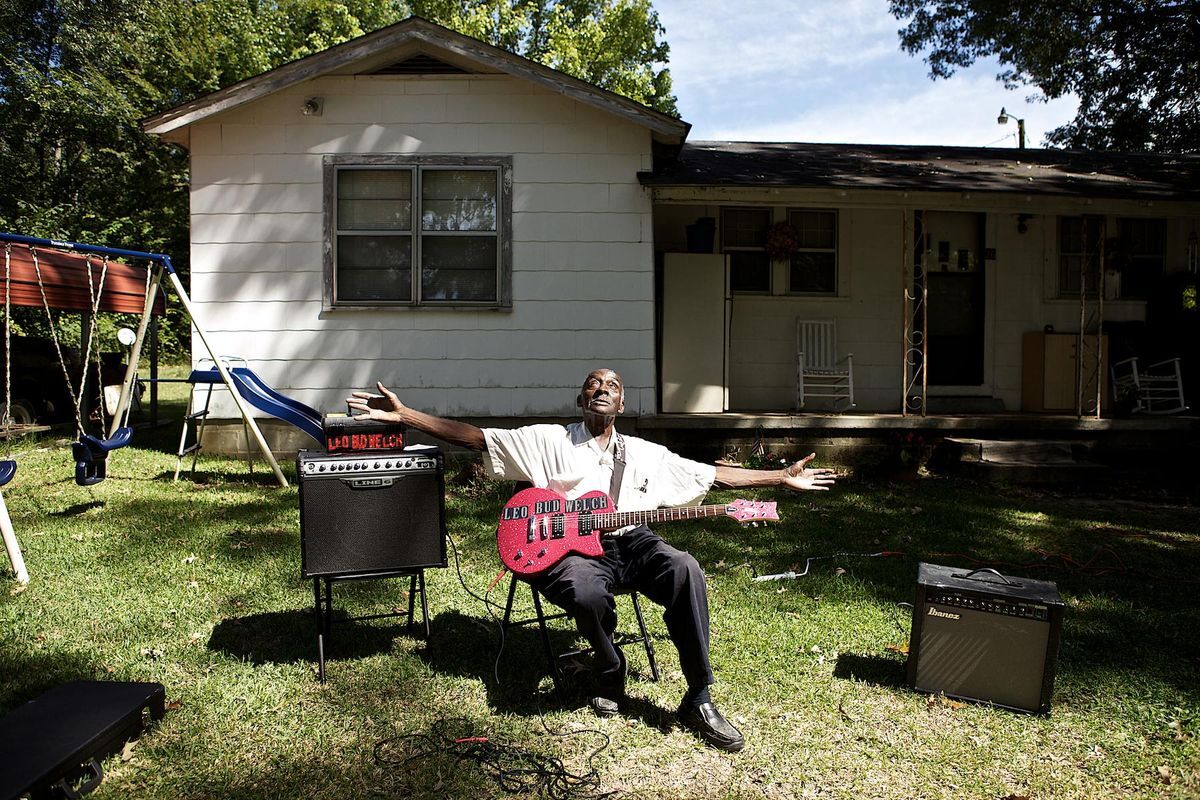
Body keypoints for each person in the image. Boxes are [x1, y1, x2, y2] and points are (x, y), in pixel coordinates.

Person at [347, 368, 836, 752]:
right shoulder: (548, 441)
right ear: (581, 400)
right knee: (585, 591)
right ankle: (609, 665)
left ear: (622, 404)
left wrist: (778, 478)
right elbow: (476, 437)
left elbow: (712, 474)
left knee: (684, 568)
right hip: (570, 549)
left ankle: (699, 698)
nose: (602, 389)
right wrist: (407, 416)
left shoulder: (645, 453)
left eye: (613, 386)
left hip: (631, 541)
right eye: (593, 384)